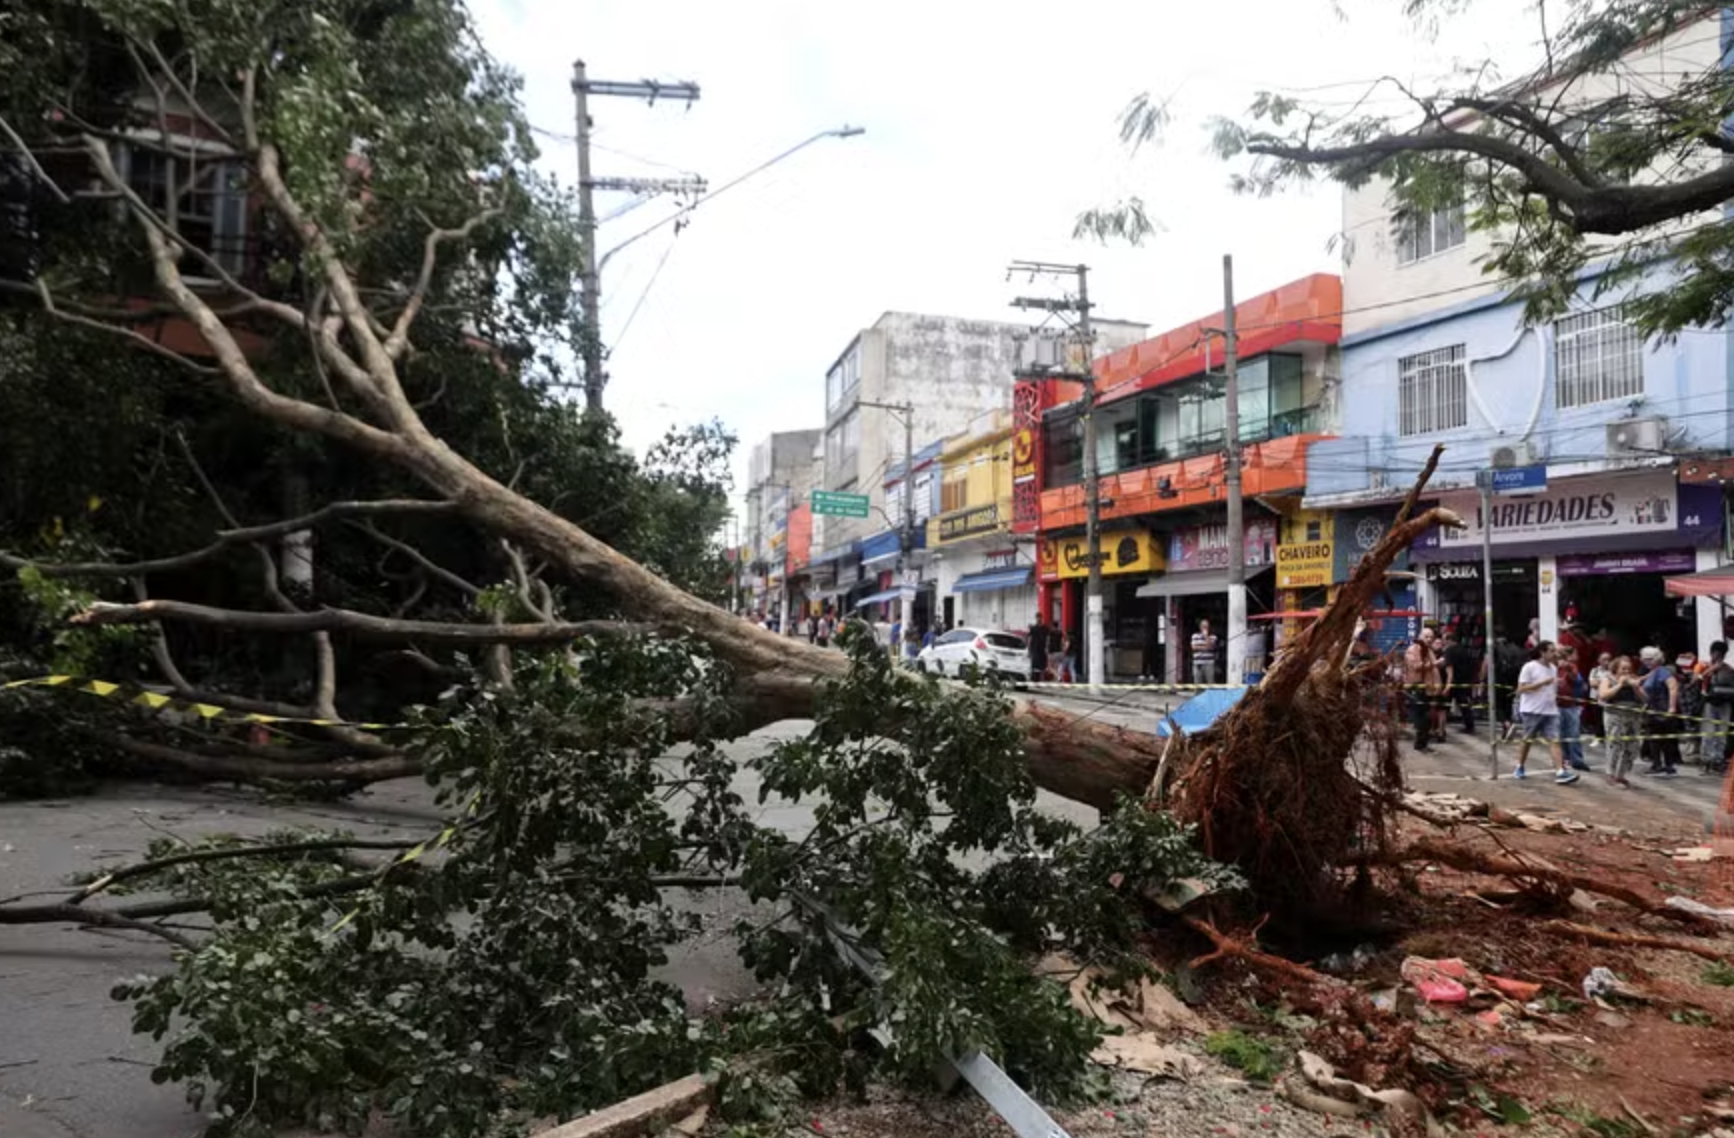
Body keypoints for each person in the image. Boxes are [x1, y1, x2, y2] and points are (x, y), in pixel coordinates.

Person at [1514, 641, 1578, 784]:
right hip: (1531, 710)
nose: (1554, 653)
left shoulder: (1553, 668)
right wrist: (1543, 683)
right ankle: (1520, 765)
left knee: (1555, 740)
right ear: (1542, 652)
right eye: (1551, 651)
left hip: (1550, 710)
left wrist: (1557, 684)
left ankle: (1560, 771)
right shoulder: (1529, 667)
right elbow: (1521, 689)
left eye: (1554, 651)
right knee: (1528, 739)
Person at [1598, 655, 1646, 788]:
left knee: (1632, 746)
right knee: (1615, 745)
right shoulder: (1608, 678)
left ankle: (1621, 774)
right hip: (1615, 716)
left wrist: (1636, 687)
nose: (1626, 671)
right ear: (1616, 669)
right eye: (1623, 669)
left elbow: (1645, 698)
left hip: (1633, 716)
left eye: (1629, 669)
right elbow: (1603, 695)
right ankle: (1610, 774)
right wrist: (1620, 684)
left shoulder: (1634, 679)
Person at [1637, 646, 1681, 777]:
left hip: (1662, 707)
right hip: (1653, 708)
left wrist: (1672, 707)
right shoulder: (1653, 672)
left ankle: (1667, 765)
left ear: (1657, 659)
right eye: (1645, 659)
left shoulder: (1663, 671)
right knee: (1653, 738)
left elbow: (1673, 687)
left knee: (1664, 737)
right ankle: (1658, 764)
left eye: (1650, 659)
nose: (1647, 662)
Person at [1403, 628, 1443, 752]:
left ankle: (1423, 743)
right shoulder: (1413, 649)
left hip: (1428, 689)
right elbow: (1416, 667)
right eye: (1426, 636)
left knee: (1427, 718)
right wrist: (1436, 663)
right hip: (1417, 687)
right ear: (1420, 636)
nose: (1429, 639)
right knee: (1423, 718)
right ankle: (1420, 745)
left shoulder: (1428, 650)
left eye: (1431, 637)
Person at [1702, 641, 1734, 775]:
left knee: (1722, 733)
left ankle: (1718, 760)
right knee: (1709, 733)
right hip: (1710, 702)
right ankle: (1707, 760)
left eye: (1721, 654)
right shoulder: (1704, 666)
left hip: (1725, 703)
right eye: (1715, 653)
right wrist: (1710, 670)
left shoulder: (1728, 669)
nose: (1718, 656)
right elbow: (1695, 680)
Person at [1441, 629, 1481, 735]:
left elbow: (1449, 668)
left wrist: (1448, 685)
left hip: (1452, 682)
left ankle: (1441, 728)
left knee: (1444, 707)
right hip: (1464, 682)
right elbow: (1472, 666)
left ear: (1449, 640)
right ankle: (1470, 726)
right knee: (1464, 705)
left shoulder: (1449, 651)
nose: (1442, 642)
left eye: (1444, 639)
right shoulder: (1464, 650)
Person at [1556, 656, 1590, 771]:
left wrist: (1570, 670)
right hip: (1555, 706)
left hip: (1571, 705)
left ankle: (1577, 760)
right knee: (1559, 734)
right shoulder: (1550, 668)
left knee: (1574, 733)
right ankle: (1563, 759)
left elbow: (1578, 682)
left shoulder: (1571, 668)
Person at [1676, 652, 1704, 768]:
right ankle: (1691, 744)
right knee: (1688, 722)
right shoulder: (1681, 675)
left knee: (1694, 723)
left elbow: (1695, 684)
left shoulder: (1696, 673)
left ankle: (1694, 746)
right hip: (1684, 702)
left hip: (1693, 702)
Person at [1586, 651, 1614, 742]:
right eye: (1604, 659)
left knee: (1608, 718)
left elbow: (1614, 684)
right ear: (1599, 660)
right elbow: (1592, 683)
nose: (1606, 661)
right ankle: (1599, 736)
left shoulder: (1613, 671)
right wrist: (1606, 683)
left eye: (1608, 659)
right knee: (1598, 718)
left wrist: (1601, 682)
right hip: (1595, 697)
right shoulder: (1595, 670)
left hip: (1609, 698)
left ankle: (1608, 736)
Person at [1190, 619, 1219, 686]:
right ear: (1200, 627)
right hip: (1198, 663)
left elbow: (1211, 647)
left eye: (1206, 626)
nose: (1205, 628)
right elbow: (1194, 647)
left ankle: (1210, 696)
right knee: (1197, 684)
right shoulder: (1195, 636)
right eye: (1203, 626)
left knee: (1210, 683)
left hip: (1209, 663)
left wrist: (1206, 636)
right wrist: (1206, 647)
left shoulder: (1213, 637)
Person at [1028, 613, 1050, 683]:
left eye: (1039, 617)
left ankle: (1042, 679)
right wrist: (1029, 648)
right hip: (1034, 648)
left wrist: (1047, 647)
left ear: (1041, 618)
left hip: (1042, 649)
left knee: (1042, 665)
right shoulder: (1033, 628)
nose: (1038, 619)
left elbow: (1047, 638)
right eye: (1037, 618)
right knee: (1034, 664)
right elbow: (1030, 638)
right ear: (1036, 618)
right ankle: (1034, 678)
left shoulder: (1045, 628)